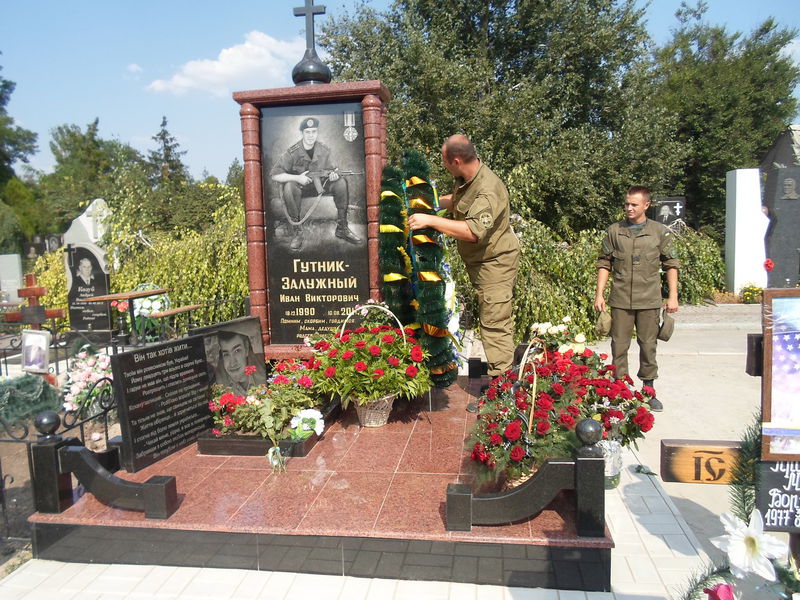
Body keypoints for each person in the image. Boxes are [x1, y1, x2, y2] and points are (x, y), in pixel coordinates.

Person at [408, 134, 520, 377]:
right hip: (481, 262)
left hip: (495, 265)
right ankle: (502, 388)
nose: (444, 166)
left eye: (445, 162)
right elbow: (458, 202)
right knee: (491, 321)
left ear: (456, 161)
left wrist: (430, 220)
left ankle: (503, 394)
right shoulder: (468, 178)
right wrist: (430, 203)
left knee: (495, 324)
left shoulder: (488, 189)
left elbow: (472, 231)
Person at [594, 186, 680, 411]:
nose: (629, 208)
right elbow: (604, 263)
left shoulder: (659, 232)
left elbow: (671, 264)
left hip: (649, 299)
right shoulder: (615, 231)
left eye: (634, 204)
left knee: (648, 346)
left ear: (646, 205)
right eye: (627, 204)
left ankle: (648, 391)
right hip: (620, 299)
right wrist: (599, 294)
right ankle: (620, 390)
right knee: (619, 346)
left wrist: (672, 296)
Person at [270, 117, 362, 251]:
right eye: (308, 132)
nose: (311, 135)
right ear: (302, 133)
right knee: (289, 187)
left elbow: (333, 169)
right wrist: (297, 179)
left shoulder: (324, 150)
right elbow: (275, 175)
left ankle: (342, 228)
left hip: (320, 186)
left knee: (341, 182)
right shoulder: (293, 152)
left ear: (317, 133)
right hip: (299, 189)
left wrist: (334, 174)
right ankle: (297, 233)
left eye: (314, 132)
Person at [213, 331, 267, 396]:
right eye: (226, 354)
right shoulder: (218, 382)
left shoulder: (264, 368)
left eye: (237, 351)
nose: (232, 363)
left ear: (246, 349)